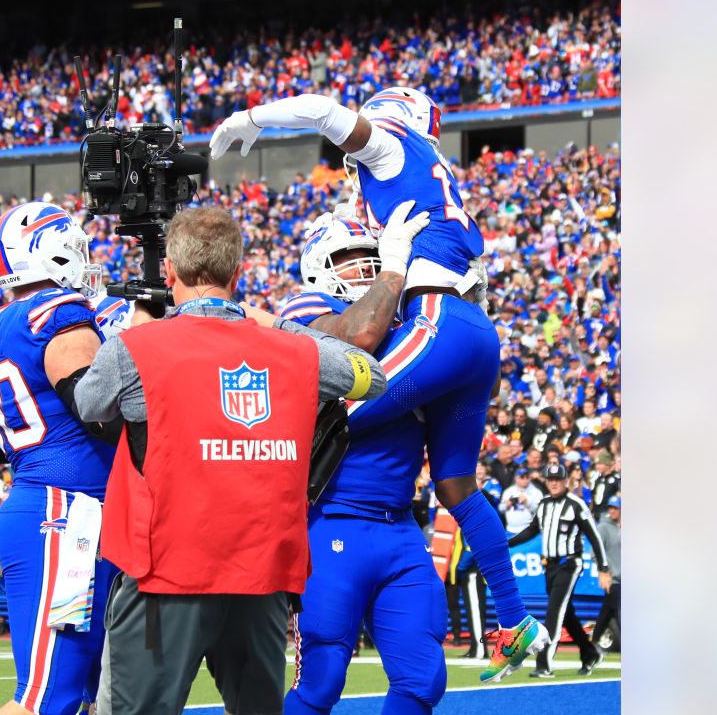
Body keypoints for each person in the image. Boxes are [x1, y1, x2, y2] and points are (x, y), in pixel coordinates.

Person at [212, 88, 546, 683]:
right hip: (473, 331)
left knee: (317, 418)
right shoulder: (435, 176)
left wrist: (250, 118)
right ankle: (517, 621)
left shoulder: (393, 150)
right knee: (456, 484)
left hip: (438, 321)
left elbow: (320, 110)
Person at [71, 206, 388, 714]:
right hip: (261, 575)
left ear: (169, 272)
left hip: (165, 574)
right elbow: (371, 375)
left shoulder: (135, 347)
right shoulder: (292, 350)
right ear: (237, 274)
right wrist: (278, 325)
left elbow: (89, 405)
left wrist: (139, 327)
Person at [276, 206, 463, 712]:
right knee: (322, 678)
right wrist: (395, 268)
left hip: (400, 528)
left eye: (369, 257)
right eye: (348, 258)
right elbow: (357, 335)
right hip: (331, 520)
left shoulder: (407, 323)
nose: (362, 269)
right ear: (318, 264)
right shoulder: (302, 310)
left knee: (423, 679)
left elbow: (467, 376)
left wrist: (466, 314)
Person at [0, 201, 118, 715]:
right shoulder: (59, 317)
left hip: (48, 505)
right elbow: (100, 411)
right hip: (65, 517)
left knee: (80, 696)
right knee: (49, 696)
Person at [507, 464, 611, 677]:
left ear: (565, 482)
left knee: (554, 611)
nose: (554, 482)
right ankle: (589, 652)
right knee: (567, 614)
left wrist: (603, 568)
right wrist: (507, 543)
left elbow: (594, 537)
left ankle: (544, 663)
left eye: (558, 479)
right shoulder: (544, 504)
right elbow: (532, 530)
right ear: (546, 481)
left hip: (570, 564)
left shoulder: (576, 505)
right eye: (550, 479)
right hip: (551, 565)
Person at [592, 495, 622, 653]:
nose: (612, 511)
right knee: (619, 610)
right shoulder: (603, 527)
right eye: (610, 508)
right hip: (612, 578)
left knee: (607, 611)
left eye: (615, 508)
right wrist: (603, 571)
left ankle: (594, 642)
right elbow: (594, 552)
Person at [500, 469, 543, 534]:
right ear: (516, 478)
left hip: (529, 530)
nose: (525, 480)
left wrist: (527, 503)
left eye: (527, 477)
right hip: (510, 530)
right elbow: (500, 509)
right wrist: (506, 505)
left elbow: (540, 512)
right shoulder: (508, 491)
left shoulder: (536, 492)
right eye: (522, 477)